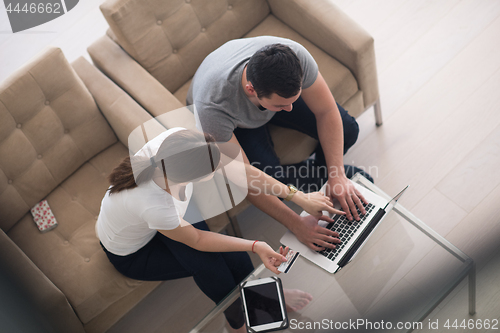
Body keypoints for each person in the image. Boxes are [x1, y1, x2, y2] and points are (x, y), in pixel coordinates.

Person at [96, 127, 337, 332]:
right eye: (210, 174)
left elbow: (242, 172)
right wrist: (256, 245)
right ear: (189, 177)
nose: (217, 173)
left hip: (164, 215)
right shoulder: (155, 205)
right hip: (135, 253)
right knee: (213, 270)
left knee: (236, 257)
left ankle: (262, 298)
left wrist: (298, 197)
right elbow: (198, 240)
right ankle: (237, 327)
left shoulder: (180, 144)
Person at [187, 36, 374, 252]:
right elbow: (244, 178)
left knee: (348, 129)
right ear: (251, 90)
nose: (291, 109)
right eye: (282, 104)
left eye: (294, 100)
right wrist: (296, 224)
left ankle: (330, 181)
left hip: (262, 95)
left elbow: (326, 111)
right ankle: (316, 181)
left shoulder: (295, 56)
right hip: (233, 122)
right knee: (273, 183)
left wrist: (337, 175)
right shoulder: (212, 107)